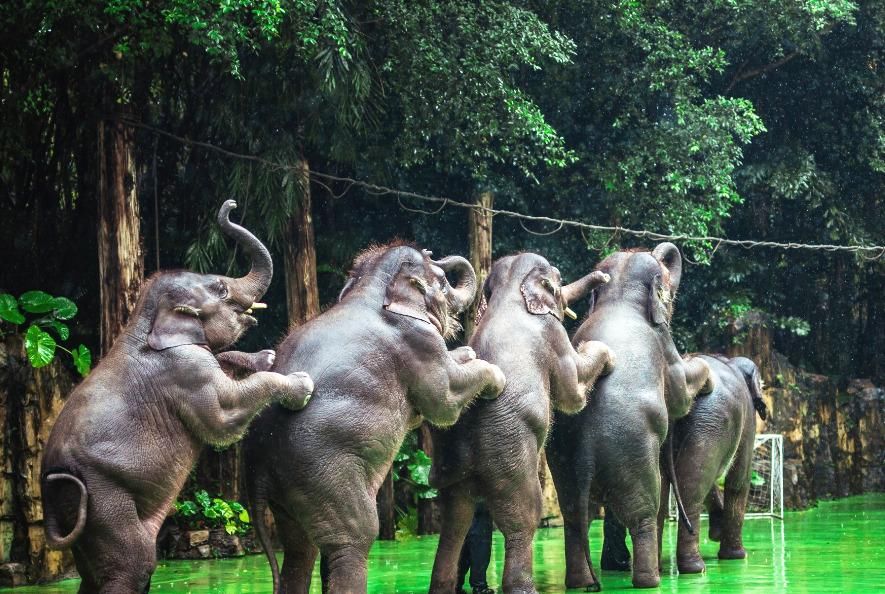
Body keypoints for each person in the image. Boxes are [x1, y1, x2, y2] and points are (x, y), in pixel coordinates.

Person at [457, 502, 495, 594]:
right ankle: (479, 586)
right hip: (480, 505)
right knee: (480, 543)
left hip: (461, 506)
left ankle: (455, 584)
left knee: (463, 544)